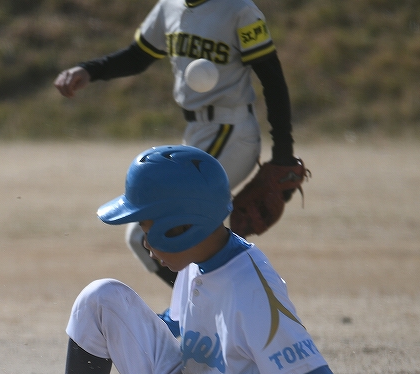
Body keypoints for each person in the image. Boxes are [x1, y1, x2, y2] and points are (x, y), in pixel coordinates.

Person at [50, 145, 372, 374]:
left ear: (180, 227)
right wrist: (128, 333)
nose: (145, 245)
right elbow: (175, 324)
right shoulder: (198, 260)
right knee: (100, 297)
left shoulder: (253, 290)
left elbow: (312, 371)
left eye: (147, 231)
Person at [54, 0, 301, 290]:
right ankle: (212, 304)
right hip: (197, 132)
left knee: (149, 234)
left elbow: (272, 77)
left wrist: (283, 153)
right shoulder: (169, 6)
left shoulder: (238, 9)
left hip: (231, 130)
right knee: (171, 235)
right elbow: (138, 56)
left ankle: (213, 304)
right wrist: (90, 69)